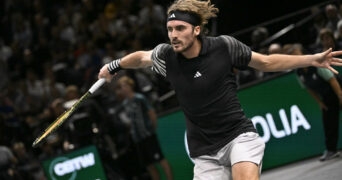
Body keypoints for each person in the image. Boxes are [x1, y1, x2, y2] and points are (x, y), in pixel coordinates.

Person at [98, 0, 342, 179]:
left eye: (180, 28)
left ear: (196, 29)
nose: (173, 35)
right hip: (203, 151)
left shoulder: (224, 47)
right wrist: (114, 65)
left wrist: (311, 59)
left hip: (238, 137)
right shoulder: (166, 56)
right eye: (170, 29)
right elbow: (140, 58)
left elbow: (266, 62)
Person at [288, 43, 341, 161]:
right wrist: (320, 102)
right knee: (329, 123)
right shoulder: (299, 72)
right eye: (293, 56)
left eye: (297, 54)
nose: (296, 58)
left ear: (303, 54)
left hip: (337, 89)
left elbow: (332, 79)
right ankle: (331, 150)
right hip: (326, 97)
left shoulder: (316, 63)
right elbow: (309, 88)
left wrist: (340, 96)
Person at [114, 75, 173, 180]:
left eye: (124, 85)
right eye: (120, 87)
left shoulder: (140, 98)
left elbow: (151, 113)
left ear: (130, 85)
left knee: (160, 159)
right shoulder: (125, 104)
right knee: (149, 165)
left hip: (148, 135)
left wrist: (152, 128)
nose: (123, 88)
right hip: (138, 139)